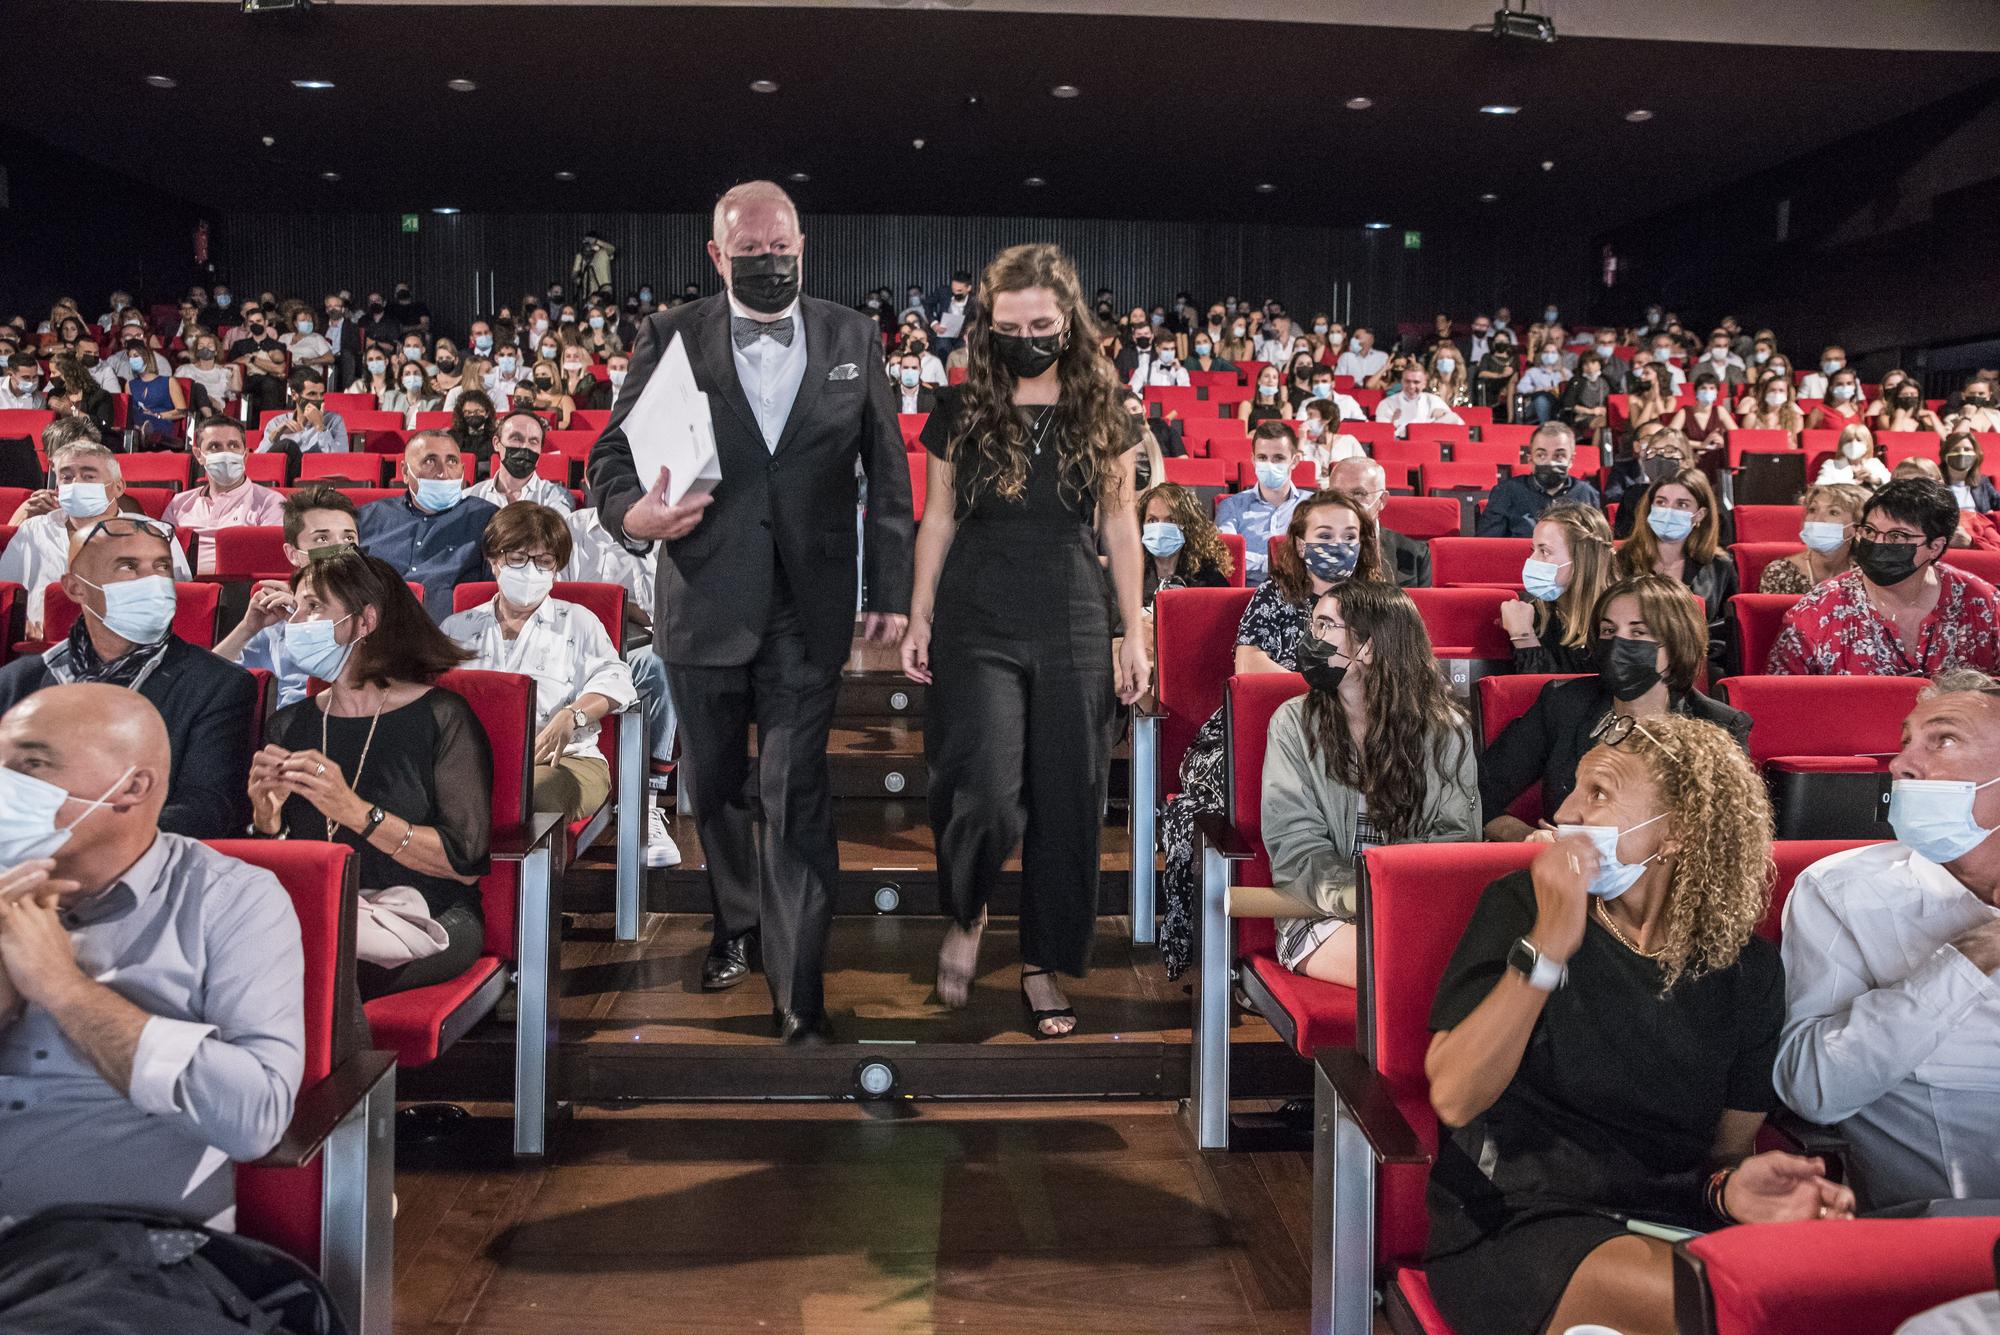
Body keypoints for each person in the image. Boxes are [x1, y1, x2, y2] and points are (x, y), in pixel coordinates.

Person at [587, 180, 914, 1044]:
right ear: (715, 254)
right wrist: (634, 517)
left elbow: (887, 471)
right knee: (720, 786)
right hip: (701, 598)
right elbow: (609, 455)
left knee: (796, 789)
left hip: (809, 608)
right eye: (751, 253)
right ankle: (736, 920)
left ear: (803, 246)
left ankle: (797, 983)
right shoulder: (670, 335)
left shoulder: (852, 333)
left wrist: (890, 590)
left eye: (784, 252)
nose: (770, 265)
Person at [1426, 713, 1853, 1335]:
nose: (1565, 811)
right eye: (1573, 787)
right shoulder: (1520, 904)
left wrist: (1732, 1193)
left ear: (1677, 832)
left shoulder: (1749, 972)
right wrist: (1548, 946)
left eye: (1598, 793)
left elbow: (1723, 1155)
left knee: (1815, 1292)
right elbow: (1456, 1096)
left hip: (1670, 1221)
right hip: (1516, 1219)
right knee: (1717, 1306)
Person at [901, 244, 1148, 1040]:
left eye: (1042, 323)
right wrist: (919, 614)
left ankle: (1044, 961)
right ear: (987, 326)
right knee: (981, 785)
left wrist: (1132, 632)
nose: (1028, 337)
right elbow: (936, 517)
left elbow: (1120, 526)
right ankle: (968, 909)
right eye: (1010, 326)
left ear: (1068, 322)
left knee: (1070, 796)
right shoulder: (961, 407)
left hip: (1074, 611)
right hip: (978, 611)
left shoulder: (1107, 412)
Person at [0, 684, 303, 1228]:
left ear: (131, 787)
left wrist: (63, 990)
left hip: (120, 1256)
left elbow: (255, 1119)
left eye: (31, 764)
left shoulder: (230, 900)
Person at [1773, 670, 2000, 1213]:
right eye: (1905, 742)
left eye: (1942, 739)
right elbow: (1813, 1087)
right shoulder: (1841, 891)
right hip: (1945, 1231)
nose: (1900, 764)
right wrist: (1973, 956)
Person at [1156, 490, 1383, 979]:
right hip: (1250, 736)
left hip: (1353, 735)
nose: (1338, 545)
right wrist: (1339, 686)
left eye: (1350, 536)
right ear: (1300, 544)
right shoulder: (1276, 597)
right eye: (1324, 535)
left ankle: (1361, 913)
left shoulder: (1381, 605)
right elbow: (1254, 669)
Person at [252, 552, 492, 999]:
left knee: (329, 973)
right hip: (323, 911)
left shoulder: (441, 716)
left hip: (431, 914)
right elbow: (282, 863)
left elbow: (463, 865)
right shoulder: (290, 725)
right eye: (296, 609)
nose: (295, 623)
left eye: (313, 607)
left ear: (365, 622)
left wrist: (357, 812)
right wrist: (267, 821)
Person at [1262, 580, 1478, 982]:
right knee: (1404, 969)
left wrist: (1395, 898)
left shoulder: (1447, 732)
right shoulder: (1293, 724)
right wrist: (1357, 896)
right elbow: (1295, 846)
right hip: (1319, 913)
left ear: (1368, 646)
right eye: (1314, 625)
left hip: (1412, 912)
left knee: (1464, 966)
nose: (1311, 639)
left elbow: (1454, 839)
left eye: (1325, 626)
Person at [0, 515, 255, 839]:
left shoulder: (217, 685)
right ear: (75, 587)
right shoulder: (16, 683)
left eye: (161, 567)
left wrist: (76, 841)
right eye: (128, 567)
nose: (151, 582)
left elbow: (205, 809)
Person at [1481, 574, 1751, 841]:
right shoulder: (1563, 704)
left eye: (1638, 632)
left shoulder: (1718, 726)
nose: (1619, 644)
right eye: (1609, 631)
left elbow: (1729, 835)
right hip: (1571, 870)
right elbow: (1479, 795)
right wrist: (1529, 836)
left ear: (1677, 644)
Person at [442, 504, 636, 826]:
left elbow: (614, 678)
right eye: (517, 559)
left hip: (564, 760)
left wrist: (573, 715)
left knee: (526, 793)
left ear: (556, 569)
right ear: (494, 562)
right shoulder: (457, 628)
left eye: (543, 562)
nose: (530, 571)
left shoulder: (578, 621)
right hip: (473, 761)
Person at [1769, 478, 2000, 677]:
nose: (1878, 543)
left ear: (1935, 547)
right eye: (1869, 531)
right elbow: (1784, 702)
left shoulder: (1982, 603)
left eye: (1897, 536)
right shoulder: (1817, 611)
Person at [0, 438, 192, 637]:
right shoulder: (34, 531)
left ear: (118, 487)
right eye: (67, 477)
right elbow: (5, 597)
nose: (76, 483)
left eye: (88, 476)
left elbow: (183, 608)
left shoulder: (155, 535)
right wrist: (22, 626)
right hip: (43, 650)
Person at [216, 485, 360, 708]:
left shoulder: (380, 607)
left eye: (349, 538)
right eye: (322, 539)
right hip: (288, 729)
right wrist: (247, 629)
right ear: (293, 554)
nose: (340, 548)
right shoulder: (277, 615)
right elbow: (205, 681)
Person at [356, 430, 500, 620]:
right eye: (430, 461)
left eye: (452, 461)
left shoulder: (487, 518)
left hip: (451, 637)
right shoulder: (367, 518)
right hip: (373, 633)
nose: (443, 473)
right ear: (406, 472)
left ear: (463, 470)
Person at [1616, 467, 1737, 676]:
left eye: (1681, 505)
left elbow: (1725, 633)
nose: (1669, 511)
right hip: (1630, 663)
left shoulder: (1719, 566)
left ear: (1699, 514)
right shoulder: (1620, 560)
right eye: (1661, 502)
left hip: (1695, 667)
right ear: (1650, 508)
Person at [1501, 502, 1616, 674]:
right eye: (1533, 550)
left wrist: (1525, 637)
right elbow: (1537, 696)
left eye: (1544, 551)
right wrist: (1523, 635)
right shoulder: (1530, 614)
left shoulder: (1621, 617)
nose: (1532, 560)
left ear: (1582, 559)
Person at [162, 419, 285, 573]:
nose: (226, 453)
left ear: (245, 455)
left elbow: (271, 562)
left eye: (233, 446)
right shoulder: (178, 504)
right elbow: (160, 557)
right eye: (215, 447)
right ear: (199, 455)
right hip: (182, 588)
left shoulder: (270, 503)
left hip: (241, 590)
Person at [1214, 422, 1312, 585]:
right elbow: (1227, 555)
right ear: (1253, 460)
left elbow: (1316, 553)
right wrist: (1281, 563)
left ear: (1294, 461)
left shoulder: (1313, 506)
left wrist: (1254, 561)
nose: (1269, 465)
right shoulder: (1231, 505)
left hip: (1302, 590)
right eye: (1262, 458)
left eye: (1278, 458)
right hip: (1247, 595)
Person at [1477, 422, 1602, 537]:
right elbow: (1488, 547)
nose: (1550, 462)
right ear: (1530, 460)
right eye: (1541, 455)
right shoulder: (1506, 492)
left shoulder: (1587, 494)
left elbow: (1598, 547)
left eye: (1559, 455)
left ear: (1571, 460)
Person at [1328, 455, 1430, 589]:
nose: (1345, 502)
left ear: (1382, 500)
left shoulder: (1415, 554)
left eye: (1358, 493)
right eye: (1337, 494)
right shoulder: (1311, 549)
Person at [1759, 481, 1868, 595]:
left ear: (1857, 527)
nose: (1817, 519)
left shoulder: (1868, 574)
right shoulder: (1779, 573)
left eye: (1833, 512)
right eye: (1812, 510)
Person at [1137, 481, 1232, 610]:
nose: (1160, 527)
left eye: (1171, 520)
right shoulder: (1127, 574)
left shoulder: (1209, 577)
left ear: (1188, 526)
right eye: (1152, 520)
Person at [466, 410, 576, 513]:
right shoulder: (472, 496)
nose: (525, 447)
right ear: (496, 443)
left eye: (533, 441)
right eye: (516, 438)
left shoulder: (556, 497)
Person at [256, 368, 349, 461]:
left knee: (287, 446)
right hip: (285, 473)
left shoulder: (334, 420)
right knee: (286, 445)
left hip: (315, 471)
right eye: (312, 394)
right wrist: (273, 437)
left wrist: (320, 427)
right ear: (294, 395)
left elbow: (340, 460)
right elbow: (257, 464)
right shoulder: (277, 422)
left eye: (321, 394)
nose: (318, 399)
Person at [1376, 363, 1463, 434]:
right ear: (1401, 381)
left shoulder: (1434, 400)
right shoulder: (1387, 404)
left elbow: (1458, 423)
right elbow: (1381, 434)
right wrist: (1393, 423)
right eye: (1407, 381)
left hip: (1430, 445)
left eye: (1416, 382)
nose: (1411, 386)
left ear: (1424, 384)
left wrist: (1444, 415)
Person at [1816, 422, 1892, 489]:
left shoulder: (1874, 463)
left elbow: (1891, 485)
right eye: (1849, 441)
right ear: (1842, 445)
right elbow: (1819, 488)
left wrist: (1875, 480)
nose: (1853, 444)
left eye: (1859, 440)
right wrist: (1851, 485)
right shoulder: (1831, 465)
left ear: (1867, 445)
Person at [1941, 431, 2000, 514]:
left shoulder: (1982, 482)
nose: (1962, 453)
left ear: (1976, 455)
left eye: (1967, 449)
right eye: (1955, 449)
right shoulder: (1934, 483)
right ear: (1945, 455)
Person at [1239, 364, 1289, 428]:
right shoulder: (1246, 405)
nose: (1270, 380)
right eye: (1266, 376)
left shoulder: (1286, 406)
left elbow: (1286, 435)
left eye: (1274, 377)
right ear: (1259, 381)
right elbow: (1242, 434)